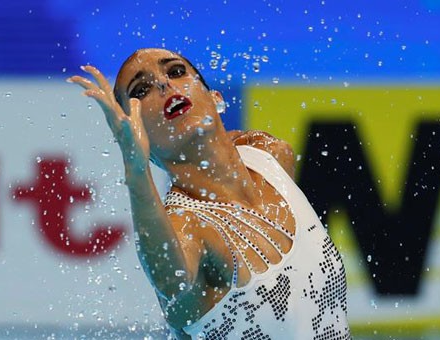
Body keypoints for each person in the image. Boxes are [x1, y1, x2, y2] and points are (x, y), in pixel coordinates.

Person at [68, 48, 349, 339]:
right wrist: (137, 170)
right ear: (141, 138)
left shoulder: (270, 155)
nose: (164, 84)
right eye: (142, 90)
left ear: (215, 97)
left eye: (176, 72)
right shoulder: (189, 228)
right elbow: (170, 282)